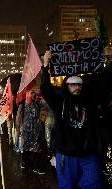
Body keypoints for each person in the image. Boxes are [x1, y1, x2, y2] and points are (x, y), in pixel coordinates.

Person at [41, 51, 112, 189]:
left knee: (94, 185)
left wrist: (108, 60)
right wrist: (45, 65)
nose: (77, 87)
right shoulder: (59, 102)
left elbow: (105, 82)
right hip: (66, 156)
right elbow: (46, 89)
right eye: (73, 84)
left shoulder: (89, 100)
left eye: (79, 84)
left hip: (88, 155)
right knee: (67, 186)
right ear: (67, 86)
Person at [16, 89, 47, 175]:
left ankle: (36, 166)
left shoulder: (37, 104)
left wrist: (41, 122)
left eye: (34, 92)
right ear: (26, 94)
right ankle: (24, 162)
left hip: (36, 132)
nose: (34, 94)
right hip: (26, 132)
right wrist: (18, 132)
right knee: (25, 148)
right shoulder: (22, 105)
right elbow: (18, 120)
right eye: (32, 92)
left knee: (37, 149)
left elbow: (44, 113)